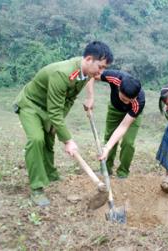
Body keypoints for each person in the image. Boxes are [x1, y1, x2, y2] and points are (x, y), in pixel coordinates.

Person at [14, 41, 113, 206]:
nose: (101, 72)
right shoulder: (62, 73)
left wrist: (58, 124)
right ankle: (37, 188)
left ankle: (50, 174)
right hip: (31, 105)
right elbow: (54, 111)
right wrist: (68, 140)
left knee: (49, 138)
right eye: (101, 67)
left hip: (49, 108)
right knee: (37, 139)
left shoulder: (85, 73)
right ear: (89, 59)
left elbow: (69, 99)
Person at [94, 70, 145, 178]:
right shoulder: (114, 78)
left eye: (128, 101)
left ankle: (122, 172)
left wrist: (107, 147)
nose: (125, 102)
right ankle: (106, 169)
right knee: (109, 138)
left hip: (131, 116)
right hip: (115, 110)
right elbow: (91, 75)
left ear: (135, 97)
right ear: (118, 88)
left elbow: (124, 126)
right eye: (123, 98)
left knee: (128, 142)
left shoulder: (139, 102)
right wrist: (90, 97)